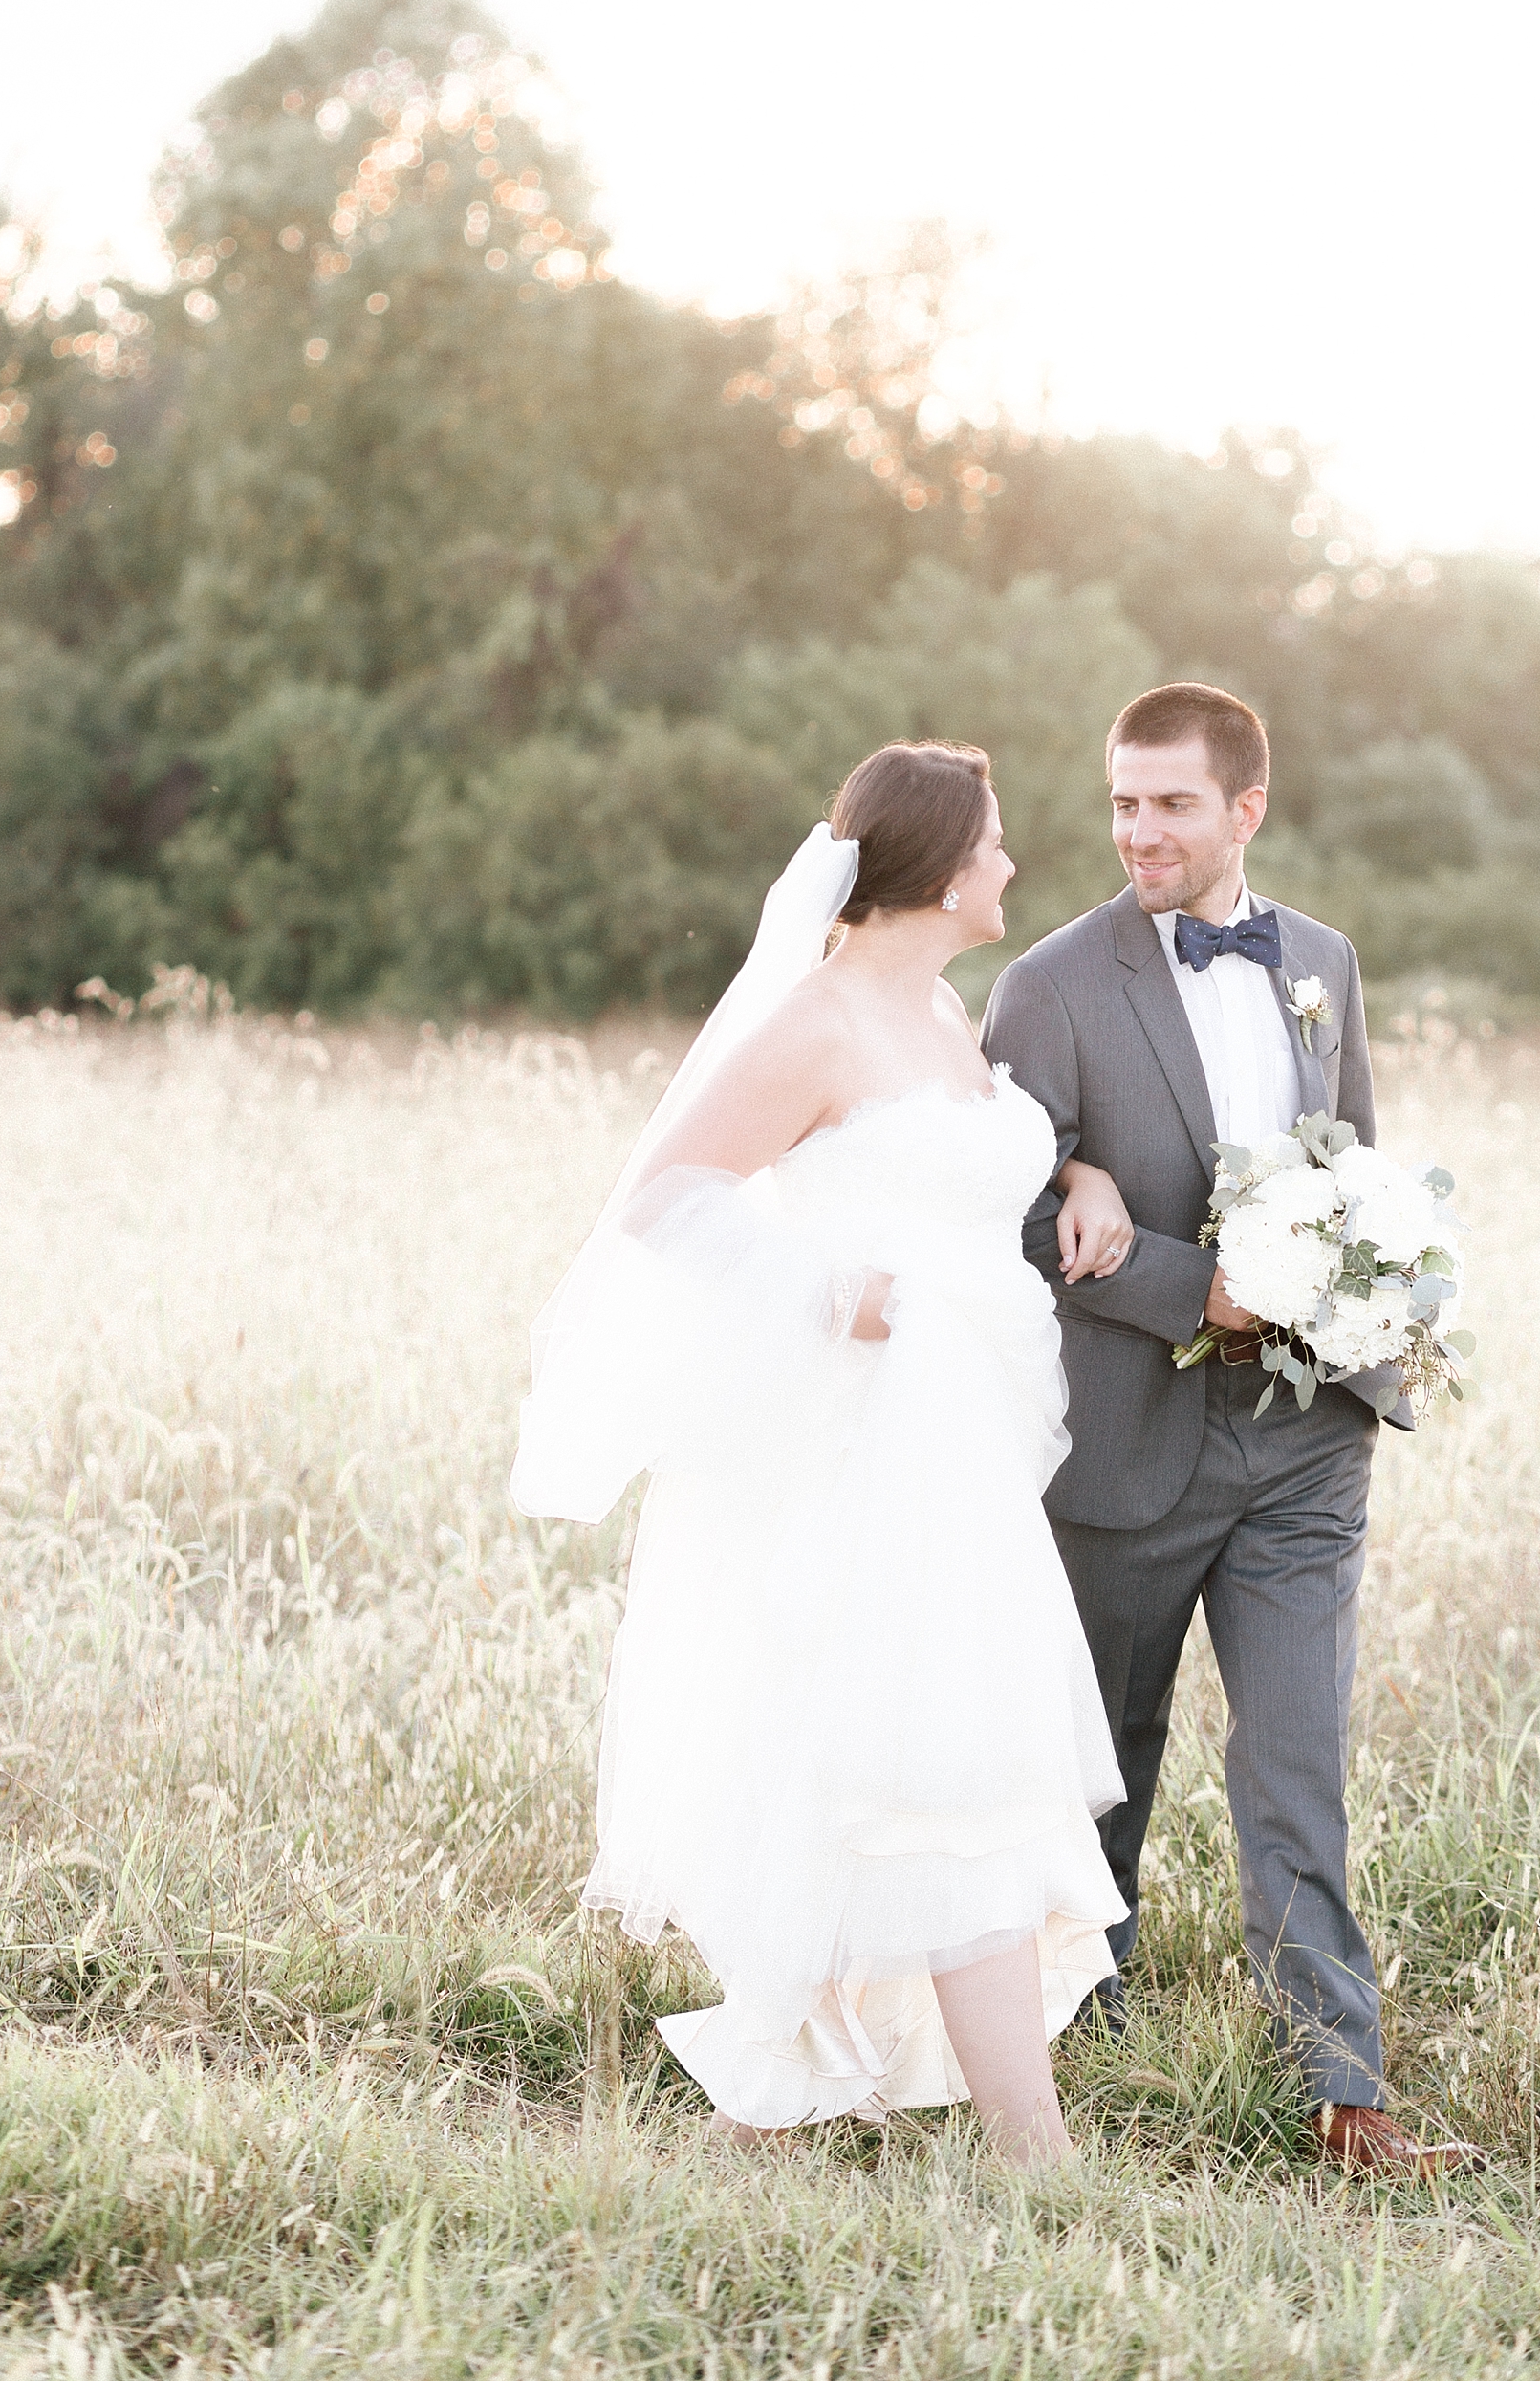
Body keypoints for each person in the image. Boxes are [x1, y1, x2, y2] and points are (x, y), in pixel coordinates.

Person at [510, 741, 1136, 2169]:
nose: (1013, 867)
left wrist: (1083, 1174)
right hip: (867, 1438)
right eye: (994, 842)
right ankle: (1031, 2154)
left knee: (892, 1760)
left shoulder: (941, 1010)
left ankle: (769, 2106)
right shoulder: (816, 1022)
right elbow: (668, 1196)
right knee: (939, 1763)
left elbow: (974, 1179)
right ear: (935, 866)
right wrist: (825, 1292)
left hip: (961, 1433)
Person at [983, 683, 1485, 2180]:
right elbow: (1005, 1206)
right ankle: (1090, 2056)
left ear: (1245, 810)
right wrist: (1200, 1285)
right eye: (1124, 801)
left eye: (1173, 804)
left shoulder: (1322, 959)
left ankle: (1343, 2098)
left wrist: (1380, 1308)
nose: (1140, 829)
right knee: (1106, 1770)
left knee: (1297, 1768)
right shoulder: (1052, 984)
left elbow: (1366, 1167)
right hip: (1130, 1442)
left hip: (1307, 1441)